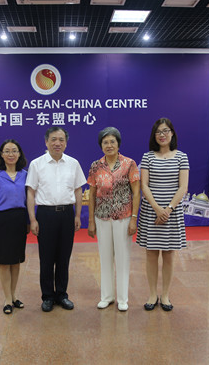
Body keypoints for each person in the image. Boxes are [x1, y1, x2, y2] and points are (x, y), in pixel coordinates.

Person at [26, 126, 87, 312]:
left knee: (63, 258)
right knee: (46, 259)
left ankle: (62, 294)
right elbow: (30, 192)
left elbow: (78, 190)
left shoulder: (73, 163)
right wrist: (33, 219)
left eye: (61, 139)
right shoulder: (37, 164)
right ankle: (47, 297)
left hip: (67, 214)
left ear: (66, 143)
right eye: (53, 139)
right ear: (46, 142)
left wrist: (77, 215)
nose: (57, 143)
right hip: (45, 214)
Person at [136, 118, 189, 312]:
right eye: (159, 132)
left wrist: (168, 209)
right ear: (154, 135)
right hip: (151, 211)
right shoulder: (148, 157)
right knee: (151, 254)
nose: (162, 134)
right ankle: (152, 294)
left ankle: (165, 295)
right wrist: (158, 208)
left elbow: (183, 186)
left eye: (166, 131)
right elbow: (144, 185)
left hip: (172, 213)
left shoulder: (181, 157)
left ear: (172, 133)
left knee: (168, 254)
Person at [87, 127, 140, 312]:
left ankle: (123, 299)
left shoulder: (129, 164)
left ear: (118, 144)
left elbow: (136, 193)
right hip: (102, 218)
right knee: (105, 257)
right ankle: (107, 296)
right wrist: (91, 221)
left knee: (123, 258)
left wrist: (134, 219)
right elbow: (92, 194)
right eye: (105, 142)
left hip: (123, 218)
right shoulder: (96, 166)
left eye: (112, 142)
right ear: (101, 145)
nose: (109, 145)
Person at [0, 139, 29, 315]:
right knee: (4, 262)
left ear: (19, 154)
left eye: (14, 151)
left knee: (16, 261)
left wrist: (28, 221)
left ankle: (14, 295)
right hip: (2, 220)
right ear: (1, 155)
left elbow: (29, 200)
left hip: (19, 220)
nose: (11, 154)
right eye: (7, 151)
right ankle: (7, 299)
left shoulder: (25, 175)